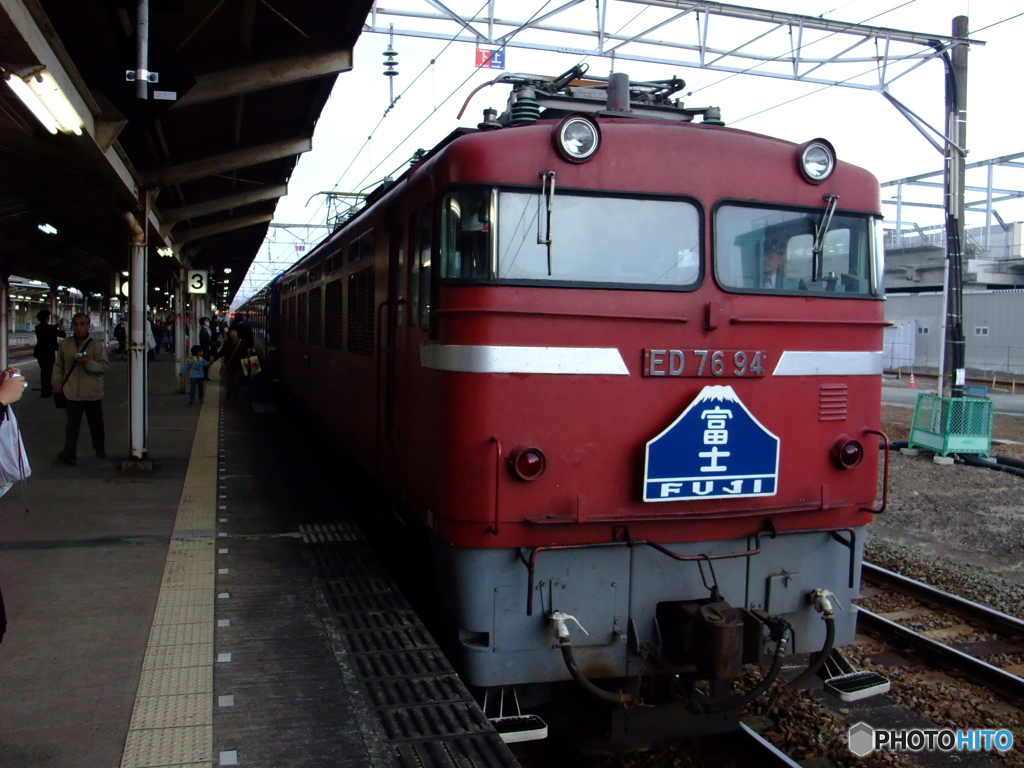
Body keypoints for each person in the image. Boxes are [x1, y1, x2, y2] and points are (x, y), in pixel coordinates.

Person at [53, 313, 109, 465]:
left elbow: (103, 367)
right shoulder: (65, 344)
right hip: (71, 393)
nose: (79, 327)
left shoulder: (96, 346)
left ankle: (99, 448)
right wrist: (57, 382)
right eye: (76, 324)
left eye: (82, 324)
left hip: (92, 393)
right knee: (71, 425)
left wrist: (88, 362)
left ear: (88, 326)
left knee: (96, 423)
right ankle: (69, 452)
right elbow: (59, 366)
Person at [33, 309, 65, 398]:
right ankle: (46, 391)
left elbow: (46, 331)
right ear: (47, 318)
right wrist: (60, 328)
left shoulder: (37, 328)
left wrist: (53, 327)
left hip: (40, 352)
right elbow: (63, 335)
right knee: (48, 372)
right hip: (49, 353)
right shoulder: (51, 328)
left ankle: (46, 388)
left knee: (44, 371)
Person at [214, 328, 246, 404]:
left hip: (239, 367)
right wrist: (215, 358)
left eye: (234, 332)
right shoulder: (227, 343)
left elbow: (247, 354)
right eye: (231, 332)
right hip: (229, 367)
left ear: (237, 333)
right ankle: (229, 391)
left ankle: (235, 400)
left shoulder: (243, 343)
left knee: (236, 384)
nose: (233, 333)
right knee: (228, 384)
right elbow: (222, 352)